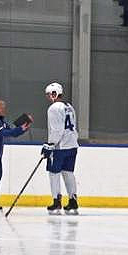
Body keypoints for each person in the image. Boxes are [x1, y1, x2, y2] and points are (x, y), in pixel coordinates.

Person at [42, 82, 80, 214]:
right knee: (68, 173)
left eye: (48, 94)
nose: (48, 97)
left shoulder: (53, 108)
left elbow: (57, 130)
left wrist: (50, 145)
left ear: (54, 94)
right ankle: (73, 200)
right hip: (72, 145)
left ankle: (56, 201)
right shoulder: (69, 106)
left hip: (60, 147)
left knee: (54, 174)